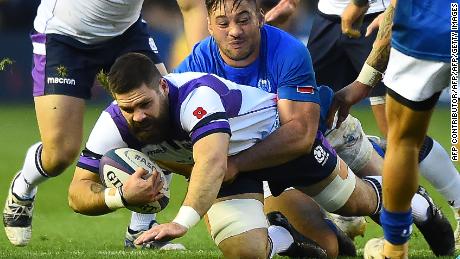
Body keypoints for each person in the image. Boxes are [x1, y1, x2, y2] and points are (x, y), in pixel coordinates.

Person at [174, 0, 455, 256]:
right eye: (223, 23)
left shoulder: (286, 50)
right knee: (327, 248)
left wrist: (229, 165)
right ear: (209, 25)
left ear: (260, 17)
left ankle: (421, 206)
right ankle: (319, 231)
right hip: (264, 156)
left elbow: (300, 136)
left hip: (321, 134)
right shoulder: (198, 65)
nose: (234, 31)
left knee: (390, 181)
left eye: (243, 20)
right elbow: (174, 125)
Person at [2, 0, 209, 247]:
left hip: (126, 32)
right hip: (64, 35)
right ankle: (24, 185)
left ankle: (141, 230)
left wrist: (204, 78)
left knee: (162, 115)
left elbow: (193, 5)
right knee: (59, 154)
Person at [324, 0, 455, 257]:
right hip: (437, 17)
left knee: (402, 141)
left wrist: (360, 4)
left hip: (423, 22)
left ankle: (395, 248)